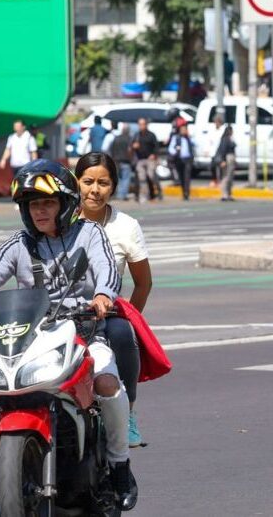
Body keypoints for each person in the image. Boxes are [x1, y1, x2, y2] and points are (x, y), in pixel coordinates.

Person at [0, 160, 138, 510]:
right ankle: (18, 464)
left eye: (47, 202)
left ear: (66, 205)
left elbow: (107, 269)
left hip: (84, 331)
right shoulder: (18, 244)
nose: (40, 211)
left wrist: (103, 295)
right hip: (30, 337)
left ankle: (120, 463)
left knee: (107, 383)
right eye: (33, 204)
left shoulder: (90, 233)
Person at [75, 152, 154, 449]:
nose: (95, 189)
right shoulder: (60, 219)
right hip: (62, 313)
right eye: (88, 181)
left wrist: (128, 317)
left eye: (103, 183)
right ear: (76, 183)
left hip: (106, 315)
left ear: (113, 187)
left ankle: (128, 413)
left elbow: (144, 283)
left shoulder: (126, 226)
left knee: (123, 335)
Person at [131, 118, 160, 203]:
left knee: (151, 176)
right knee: (142, 179)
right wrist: (134, 146)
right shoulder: (136, 135)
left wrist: (153, 154)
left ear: (146, 125)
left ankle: (156, 193)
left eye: (143, 124)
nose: (141, 126)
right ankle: (144, 196)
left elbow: (156, 146)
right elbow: (131, 146)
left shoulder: (151, 135)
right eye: (139, 124)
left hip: (149, 159)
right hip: (140, 160)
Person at [105, 123, 134, 201]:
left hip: (117, 161)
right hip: (126, 161)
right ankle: (123, 195)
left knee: (120, 178)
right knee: (126, 178)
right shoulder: (130, 139)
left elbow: (111, 149)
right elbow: (131, 151)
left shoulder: (116, 138)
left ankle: (119, 194)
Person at [167, 124, 195, 200]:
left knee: (187, 177)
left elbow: (195, 144)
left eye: (185, 130)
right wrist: (176, 151)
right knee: (182, 177)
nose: (184, 131)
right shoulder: (176, 138)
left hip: (188, 159)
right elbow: (171, 149)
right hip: (179, 159)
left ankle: (187, 193)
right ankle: (184, 192)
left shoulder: (188, 138)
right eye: (182, 130)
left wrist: (189, 137)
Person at [214, 125, 237, 201]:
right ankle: (225, 194)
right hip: (227, 159)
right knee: (226, 177)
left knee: (230, 177)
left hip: (231, 158)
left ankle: (229, 194)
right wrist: (223, 160)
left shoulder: (230, 139)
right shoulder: (225, 139)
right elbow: (223, 150)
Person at [206, 114, 226, 188]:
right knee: (213, 167)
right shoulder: (212, 129)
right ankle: (214, 180)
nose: (216, 123)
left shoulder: (224, 130)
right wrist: (207, 149)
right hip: (214, 151)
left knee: (221, 168)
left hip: (221, 151)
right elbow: (209, 140)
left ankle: (220, 181)